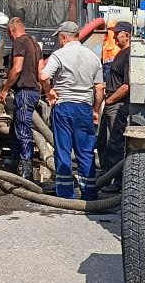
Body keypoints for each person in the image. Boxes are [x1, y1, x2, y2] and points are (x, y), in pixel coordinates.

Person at [39, 21, 104, 200]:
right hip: (84, 108)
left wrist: (49, 91)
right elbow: (99, 88)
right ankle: (89, 194)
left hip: (64, 106)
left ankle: (66, 195)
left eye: (60, 38)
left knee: (63, 150)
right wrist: (95, 110)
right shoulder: (93, 57)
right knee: (86, 152)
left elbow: (44, 76)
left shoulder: (59, 55)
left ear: (64, 37)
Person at [0, 17, 42, 183]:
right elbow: (41, 69)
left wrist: (5, 89)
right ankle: (15, 165)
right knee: (15, 131)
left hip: (24, 91)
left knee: (23, 131)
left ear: (11, 30)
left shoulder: (19, 42)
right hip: (33, 91)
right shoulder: (35, 44)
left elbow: (16, 69)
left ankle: (26, 172)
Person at [97, 21, 133, 194]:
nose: (114, 35)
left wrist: (111, 100)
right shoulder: (121, 54)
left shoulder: (129, 55)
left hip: (117, 105)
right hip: (111, 102)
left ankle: (118, 182)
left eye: (117, 32)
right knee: (104, 143)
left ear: (127, 35)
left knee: (116, 144)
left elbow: (127, 86)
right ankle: (104, 177)